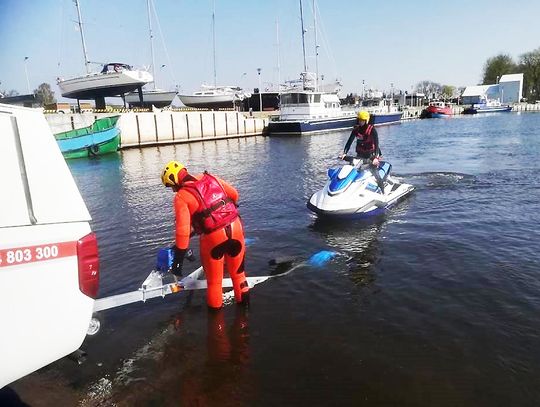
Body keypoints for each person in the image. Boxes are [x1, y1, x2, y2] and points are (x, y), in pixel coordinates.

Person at [161, 161, 249, 309]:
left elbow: (182, 232)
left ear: (173, 181)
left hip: (213, 237)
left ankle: (217, 327)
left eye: (171, 187)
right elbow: (234, 194)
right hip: (235, 227)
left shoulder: (181, 197)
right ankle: (245, 315)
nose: (173, 191)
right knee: (239, 274)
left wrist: (178, 261)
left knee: (215, 282)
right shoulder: (210, 177)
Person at [341, 110, 385, 193]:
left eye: (362, 120)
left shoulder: (372, 130)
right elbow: (349, 141)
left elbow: (376, 144)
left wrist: (376, 158)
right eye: (360, 120)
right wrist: (344, 153)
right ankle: (347, 189)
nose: (360, 122)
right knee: (352, 170)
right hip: (360, 154)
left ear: (366, 120)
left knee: (376, 174)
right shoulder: (356, 129)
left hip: (371, 155)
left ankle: (383, 191)